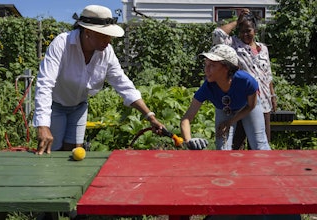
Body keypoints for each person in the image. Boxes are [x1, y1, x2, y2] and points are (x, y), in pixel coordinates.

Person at [33, 5, 164, 155]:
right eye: (104, 35)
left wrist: (150, 116)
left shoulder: (107, 52)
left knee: (73, 151)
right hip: (55, 106)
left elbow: (124, 85)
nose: (109, 41)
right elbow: (45, 83)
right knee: (51, 150)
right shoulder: (62, 44)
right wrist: (42, 125)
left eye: (110, 36)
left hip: (79, 107)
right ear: (88, 33)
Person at [180, 44, 271, 151]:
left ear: (227, 68)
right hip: (224, 109)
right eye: (206, 64)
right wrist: (189, 140)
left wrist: (230, 122)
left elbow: (251, 106)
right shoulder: (207, 87)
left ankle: (267, 166)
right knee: (222, 148)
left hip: (247, 107)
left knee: (259, 145)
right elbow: (186, 119)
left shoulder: (246, 81)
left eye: (212, 65)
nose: (206, 69)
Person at [212, 9, 277, 149]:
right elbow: (218, 35)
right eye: (242, 31)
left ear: (255, 30)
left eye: (248, 30)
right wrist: (237, 20)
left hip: (263, 102)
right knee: (237, 144)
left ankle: (259, 170)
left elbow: (268, 74)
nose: (245, 34)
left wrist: (273, 96)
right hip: (242, 102)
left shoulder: (263, 48)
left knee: (260, 144)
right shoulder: (234, 45)